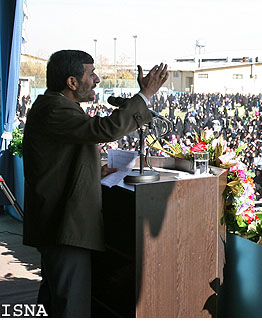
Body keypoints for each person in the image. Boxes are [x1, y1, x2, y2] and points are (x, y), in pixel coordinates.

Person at [23, 50, 169, 317]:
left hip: (61, 224)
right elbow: (102, 130)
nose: (98, 79)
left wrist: (94, 171)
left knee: (55, 296)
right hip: (63, 225)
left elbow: (60, 160)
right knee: (70, 305)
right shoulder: (54, 108)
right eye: (91, 74)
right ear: (72, 82)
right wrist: (145, 95)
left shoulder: (58, 106)